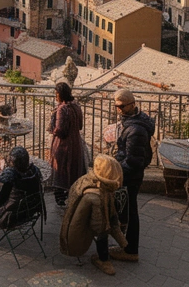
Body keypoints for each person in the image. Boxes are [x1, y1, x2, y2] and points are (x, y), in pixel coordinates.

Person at [59, 154, 133, 276]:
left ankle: (116, 248)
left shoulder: (88, 181)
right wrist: (111, 230)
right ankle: (103, 259)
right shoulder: (97, 196)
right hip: (82, 229)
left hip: (85, 219)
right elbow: (99, 226)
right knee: (102, 230)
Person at [110, 89, 152, 262]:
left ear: (132, 105)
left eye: (121, 106)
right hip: (129, 174)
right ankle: (126, 244)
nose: (118, 110)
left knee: (131, 212)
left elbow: (133, 161)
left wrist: (115, 171)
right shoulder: (132, 122)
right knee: (127, 210)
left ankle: (130, 250)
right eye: (116, 106)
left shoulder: (135, 130)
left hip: (130, 176)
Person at [48, 81, 86, 208]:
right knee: (74, 169)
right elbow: (80, 126)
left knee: (60, 170)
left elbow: (60, 130)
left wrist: (52, 129)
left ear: (60, 94)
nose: (55, 96)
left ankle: (60, 198)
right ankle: (73, 195)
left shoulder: (62, 109)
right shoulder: (76, 106)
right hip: (76, 143)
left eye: (56, 93)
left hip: (63, 145)